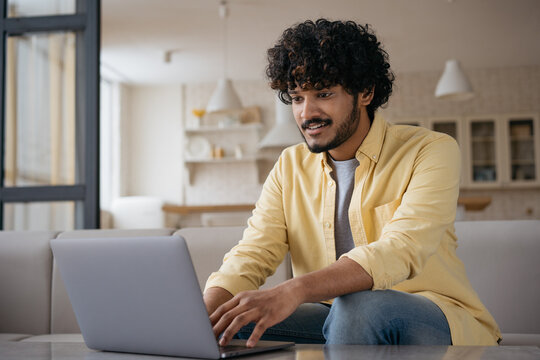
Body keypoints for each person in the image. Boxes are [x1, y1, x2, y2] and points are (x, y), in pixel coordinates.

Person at [203, 19, 501, 347]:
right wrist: (203, 313)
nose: (306, 113)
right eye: (298, 98)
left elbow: (401, 249)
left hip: (431, 313)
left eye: (324, 93)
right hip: (333, 314)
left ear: (365, 92)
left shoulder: (429, 149)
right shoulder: (290, 166)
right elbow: (253, 253)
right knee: (232, 321)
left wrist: (294, 289)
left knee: (358, 306)